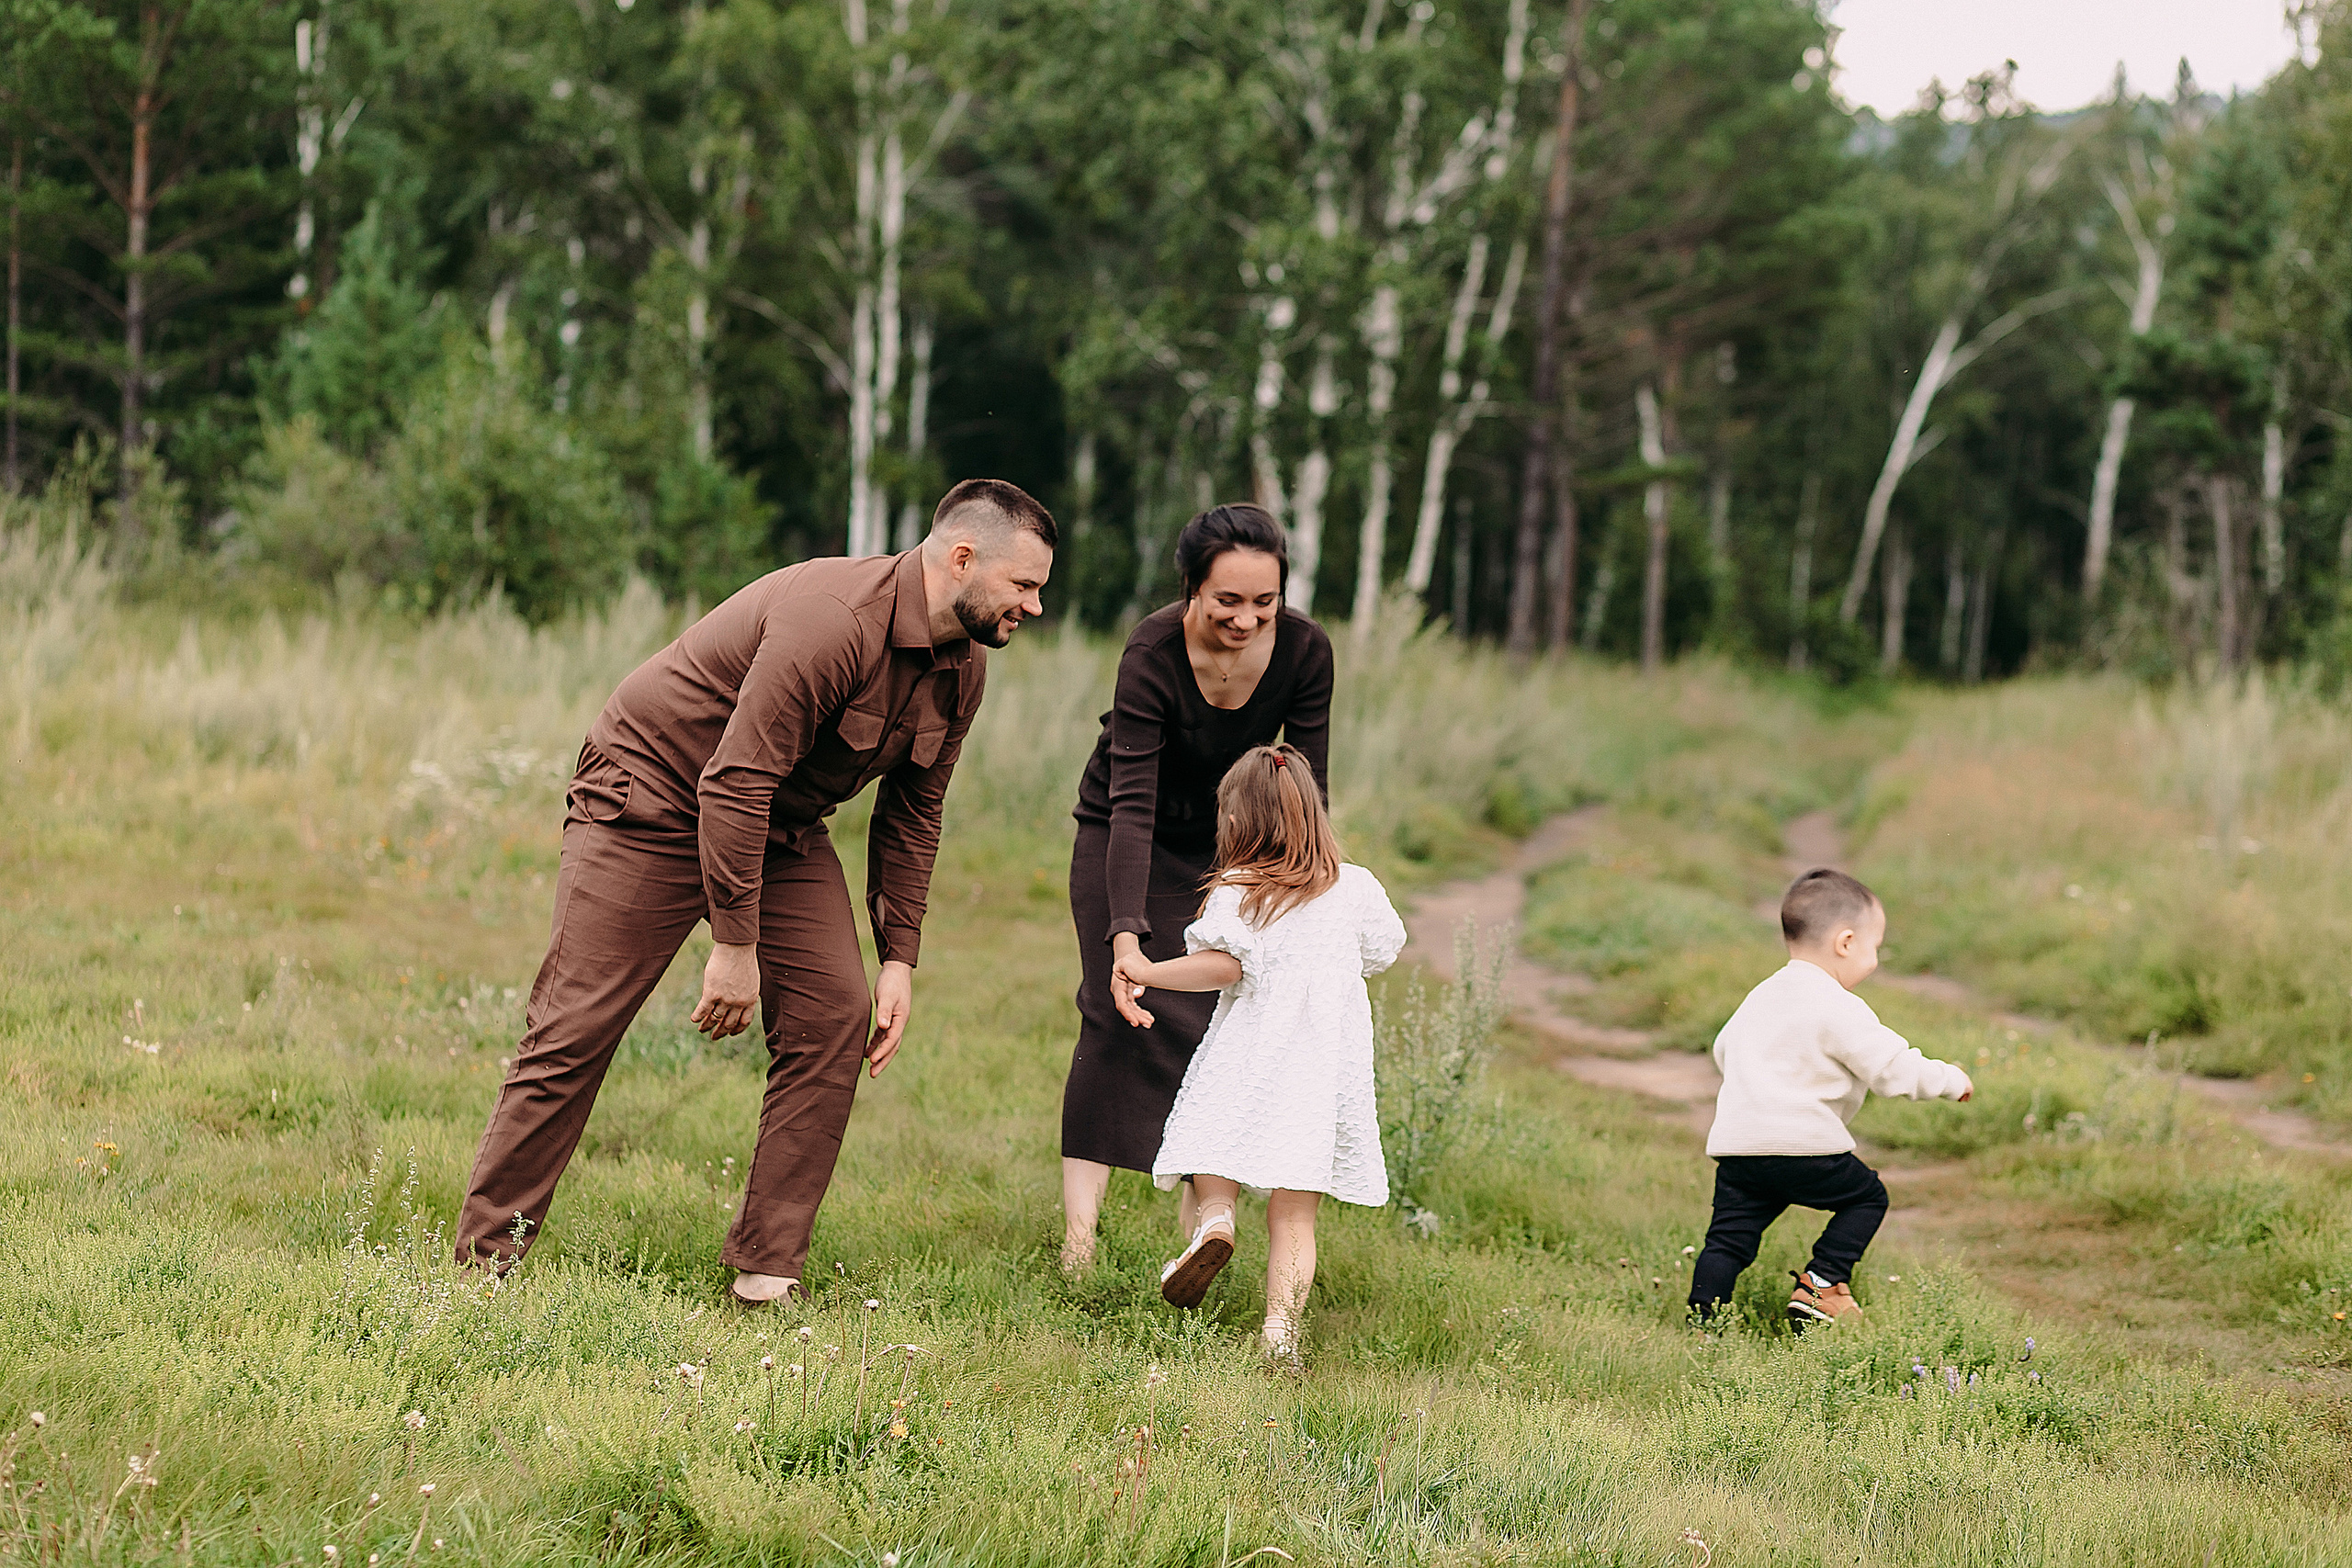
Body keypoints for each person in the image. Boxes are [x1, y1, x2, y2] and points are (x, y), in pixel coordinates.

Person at [454, 479, 1057, 1305]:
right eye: (1024, 585)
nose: (1033, 604)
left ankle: (765, 1275)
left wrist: (899, 959)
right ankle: (483, 1268)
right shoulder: (833, 619)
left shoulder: (964, 668)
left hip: (780, 821)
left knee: (832, 1013)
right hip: (653, 792)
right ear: (962, 558)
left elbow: (914, 813)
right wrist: (735, 949)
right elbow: (732, 779)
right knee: (576, 1023)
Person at [1058, 504, 1334, 1275]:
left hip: (1234, 851)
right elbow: (1131, 803)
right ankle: (1079, 1244)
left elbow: (1306, 789)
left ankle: (1202, 1230)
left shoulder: (1308, 652)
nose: (1246, 620)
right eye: (1227, 601)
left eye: (1264, 603)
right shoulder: (1151, 647)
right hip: (1123, 835)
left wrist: (1294, 893)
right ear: (1191, 589)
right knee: (1116, 1017)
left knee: (1220, 1030)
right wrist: (1126, 935)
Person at [1114, 743, 1406, 1361]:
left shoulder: (1239, 890)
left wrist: (1146, 967)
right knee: (1295, 1211)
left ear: (1238, 822)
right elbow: (1383, 950)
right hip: (1324, 1070)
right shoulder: (1356, 889)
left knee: (1211, 1140)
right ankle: (1280, 1333)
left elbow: (1221, 965)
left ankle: (1216, 1217)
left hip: (1252, 1049)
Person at [1690, 866, 1973, 1326]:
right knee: (1866, 1198)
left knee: (1727, 1240)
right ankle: (1822, 1284)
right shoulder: (1836, 1004)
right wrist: (1951, 1080)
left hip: (1740, 1148)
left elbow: (1725, 1050)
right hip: (1805, 1148)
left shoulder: (1761, 996)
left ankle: (1703, 1322)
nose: (1875, 960)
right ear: (1846, 943)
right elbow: (1891, 1068)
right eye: (1874, 948)